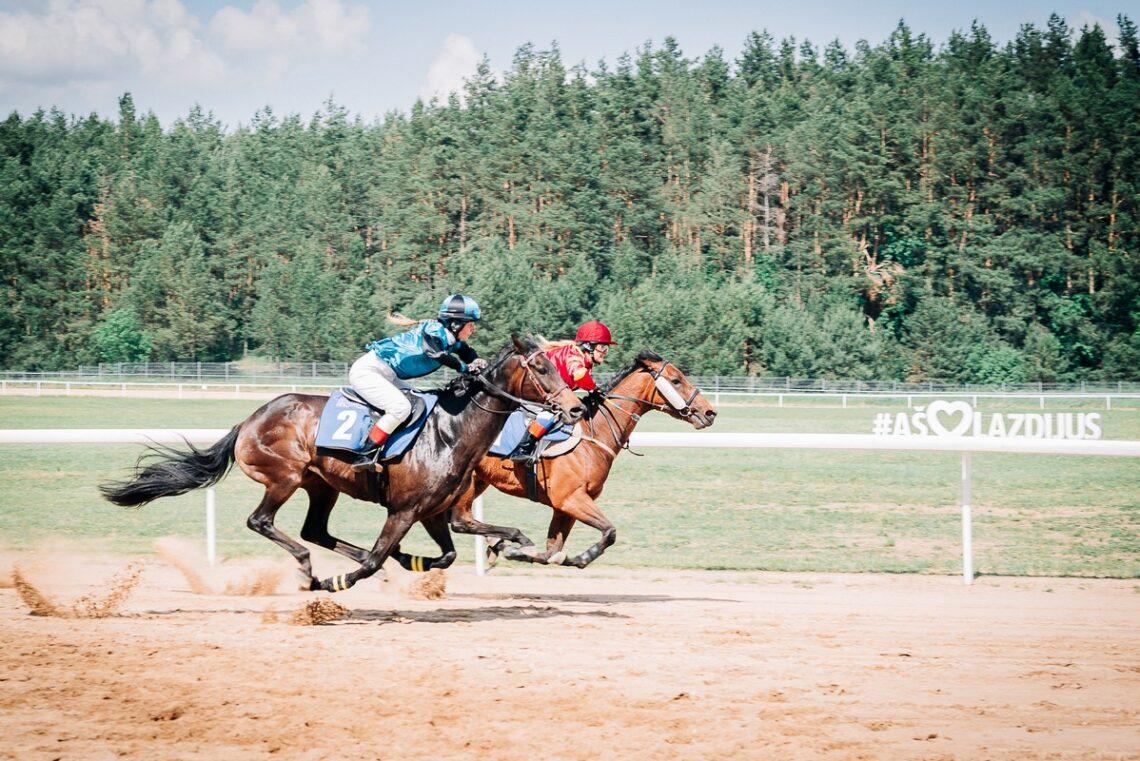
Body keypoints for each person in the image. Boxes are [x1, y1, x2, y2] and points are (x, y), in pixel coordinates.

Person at [348, 294, 485, 472]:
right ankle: (365, 454)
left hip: (387, 374)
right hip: (368, 371)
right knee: (401, 408)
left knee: (420, 402)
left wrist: (479, 362)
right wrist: (465, 368)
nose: (473, 329)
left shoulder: (451, 339)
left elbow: (467, 351)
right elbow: (436, 354)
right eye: (470, 324)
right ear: (456, 324)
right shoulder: (434, 331)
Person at [510, 320, 616, 463]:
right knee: (550, 414)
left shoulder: (582, 357)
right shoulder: (574, 355)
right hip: (531, 390)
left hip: (547, 391)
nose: (605, 353)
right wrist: (594, 387)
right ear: (588, 346)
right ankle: (523, 448)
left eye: (607, 348)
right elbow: (579, 375)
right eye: (602, 347)